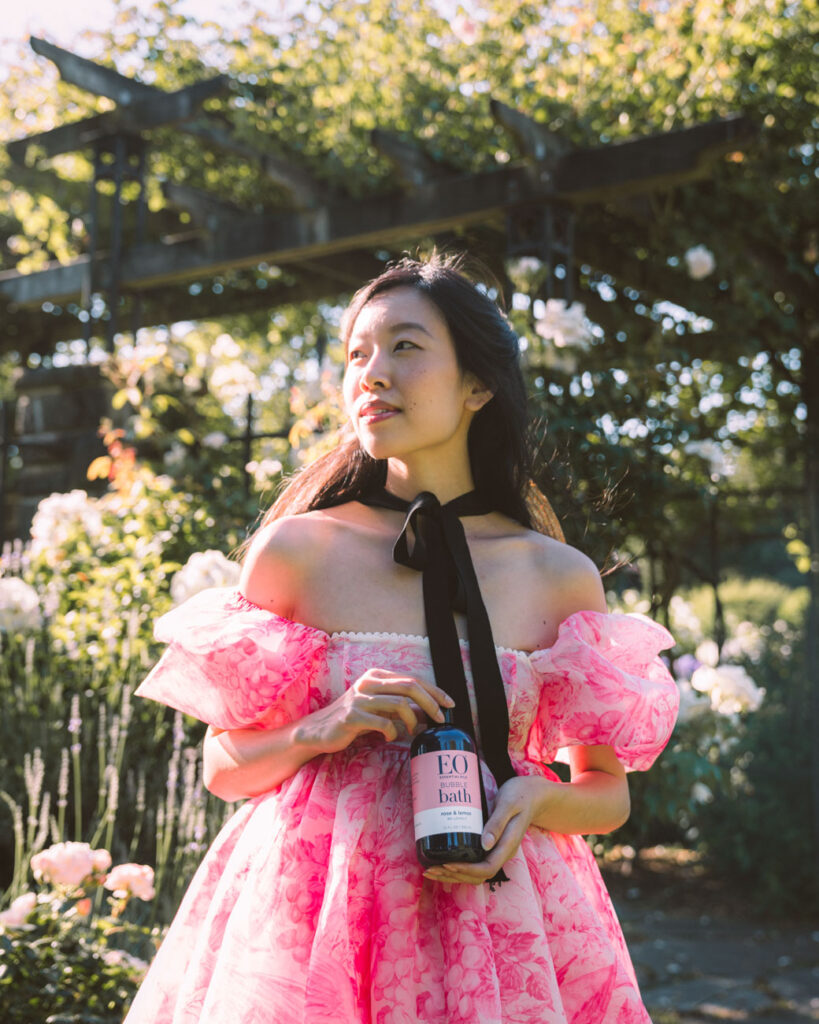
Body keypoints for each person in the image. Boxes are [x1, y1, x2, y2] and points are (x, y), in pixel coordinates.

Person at [124, 252, 679, 1024]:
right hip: (313, 917)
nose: (371, 374)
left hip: (505, 918)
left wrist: (535, 797)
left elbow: (605, 793)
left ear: (477, 385)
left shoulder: (557, 576)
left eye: (405, 347)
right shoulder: (298, 551)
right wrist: (325, 726)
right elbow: (225, 766)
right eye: (356, 354)